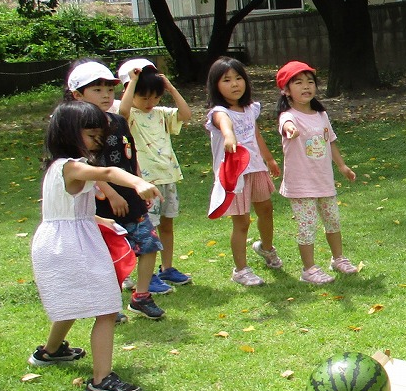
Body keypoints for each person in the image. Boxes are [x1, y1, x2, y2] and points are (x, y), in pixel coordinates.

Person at [29, 100, 160, 391]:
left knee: (74, 299)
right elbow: (111, 173)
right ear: (68, 134)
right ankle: (100, 382)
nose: (97, 142)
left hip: (59, 241)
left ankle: (50, 352)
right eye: (91, 135)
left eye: (99, 135)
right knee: (105, 308)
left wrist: (98, 219)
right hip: (71, 246)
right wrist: (138, 182)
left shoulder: (55, 168)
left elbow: (65, 208)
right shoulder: (74, 166)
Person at [63, 60, 165, 319]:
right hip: (101, 200)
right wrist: (111, 192)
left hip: (131, 193)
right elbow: (87, 166)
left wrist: (142, 183)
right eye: (97, 90)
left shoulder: (118, 120)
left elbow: (130, 155)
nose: (106, 95)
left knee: (149, 244)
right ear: (77, 95)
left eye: (109, 89)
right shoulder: (77, 128)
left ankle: (141, 296)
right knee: (107, 254)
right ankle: (107, 303)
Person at [276, 61, 358, 283]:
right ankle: (309, 269)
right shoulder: (287, 116)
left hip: (324, 181)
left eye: (310, 82)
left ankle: (338, 258)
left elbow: (329, 141)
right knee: (307, 226)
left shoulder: (321, 115)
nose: (306, 87)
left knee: (333, 221)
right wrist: (290, 130)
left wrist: (342, 166)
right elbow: (287, 125)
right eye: (299, 82)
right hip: (301, 185)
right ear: (286, 90)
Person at [205, 56, 283, 286]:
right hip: (235, 174)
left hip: (256, 168)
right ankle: (241, 270)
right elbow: (225, 125)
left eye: (239, 78)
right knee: (241, 222)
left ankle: (266, 248)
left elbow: (255, 134)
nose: (235, 84)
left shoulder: (250, 109)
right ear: (216, 85)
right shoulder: (219, 112)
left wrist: (269, 159)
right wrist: (229, 137)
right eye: (227, 80)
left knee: (266, 210)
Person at [118, 60, 195, 287]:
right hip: (145, 182)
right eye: (144, 97)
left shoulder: (160, 113)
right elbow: (122, 111)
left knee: (167, 224)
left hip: (167, 177)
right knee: (146, 230)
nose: (150, 102)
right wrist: (132, 81)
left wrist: (170, 88)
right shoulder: (129, 114)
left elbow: (186, 114)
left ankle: (167, 268)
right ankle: (146, 275)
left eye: (155, 97)